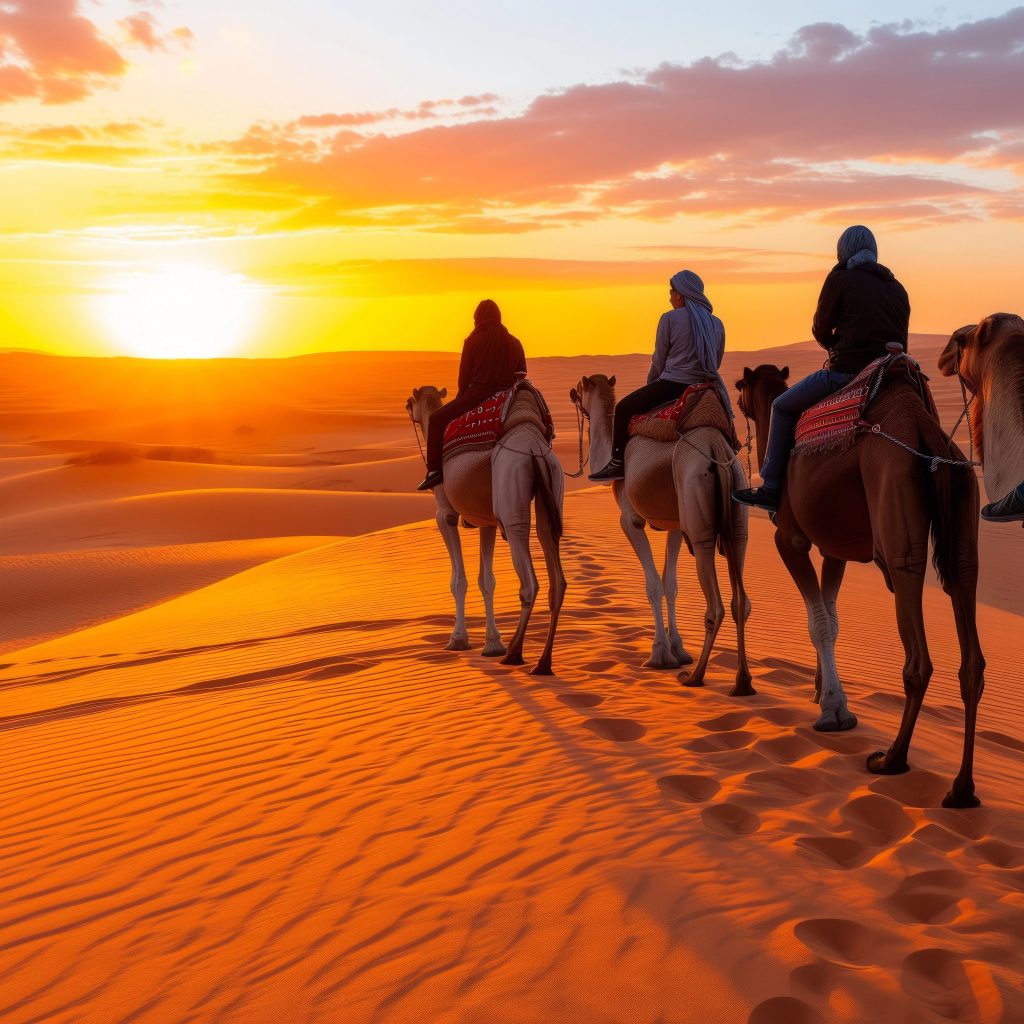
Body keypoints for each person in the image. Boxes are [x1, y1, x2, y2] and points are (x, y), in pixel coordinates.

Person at [733, 225, 910, 512]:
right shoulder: (897, 286)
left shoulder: (840, 278)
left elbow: (820, 328)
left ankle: (771, 487)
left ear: (844, 250)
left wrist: (833, 343)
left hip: (847, 374)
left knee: (781, 406)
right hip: (891, 377)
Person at [589, 269, 731, 482]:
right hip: (705, 386)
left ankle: (617, 462)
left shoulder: (670, 319)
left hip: (672, 384)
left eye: (671, 292)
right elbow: (716, 362)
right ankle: (731, 449)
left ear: (681, 294)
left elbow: (659, 360)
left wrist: (652, 384)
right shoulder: (716, 323)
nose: (670, 297)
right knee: (726, 419)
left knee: (624, 408)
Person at [417, 299, 526, 491]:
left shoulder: (472, 341)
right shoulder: (515, 342)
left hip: (478, 395)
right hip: (509, 396)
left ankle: (434, 471)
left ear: (478, 318)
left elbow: (464, 379)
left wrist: (462, 400)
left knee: (435, 420)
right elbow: (522, 373)